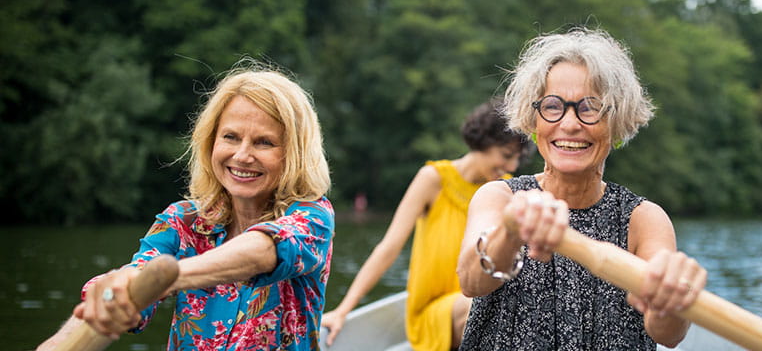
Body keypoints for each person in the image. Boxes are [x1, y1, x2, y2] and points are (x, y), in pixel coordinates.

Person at [38, 65, 335, 350]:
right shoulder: (183, 220)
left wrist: (164, 278)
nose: (242, 155)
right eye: (230, 137)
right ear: (210, 142)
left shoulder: (313, 217)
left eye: (264, 143)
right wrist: (107, 297)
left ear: (293, 154)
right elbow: (133, 277)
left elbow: (266, 249)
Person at [456, 27, 708, 350]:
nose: (571, 123)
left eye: (590, 107)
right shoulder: (499, 197)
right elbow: (470, 280)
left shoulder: (644, 220)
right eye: (552, 106)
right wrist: (511, 230)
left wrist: (668, 301)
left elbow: (670, 334)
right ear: (534, 121)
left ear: (617, 122)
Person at [320, 99, 529, 350]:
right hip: (433, 313)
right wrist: (343, 310)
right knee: (479, 305)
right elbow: (389, 247)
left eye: (517, 159)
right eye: (506, 156)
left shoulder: (504, 190)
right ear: (482, 141)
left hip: (479, 299)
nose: (512, 166)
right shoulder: (433, 179)